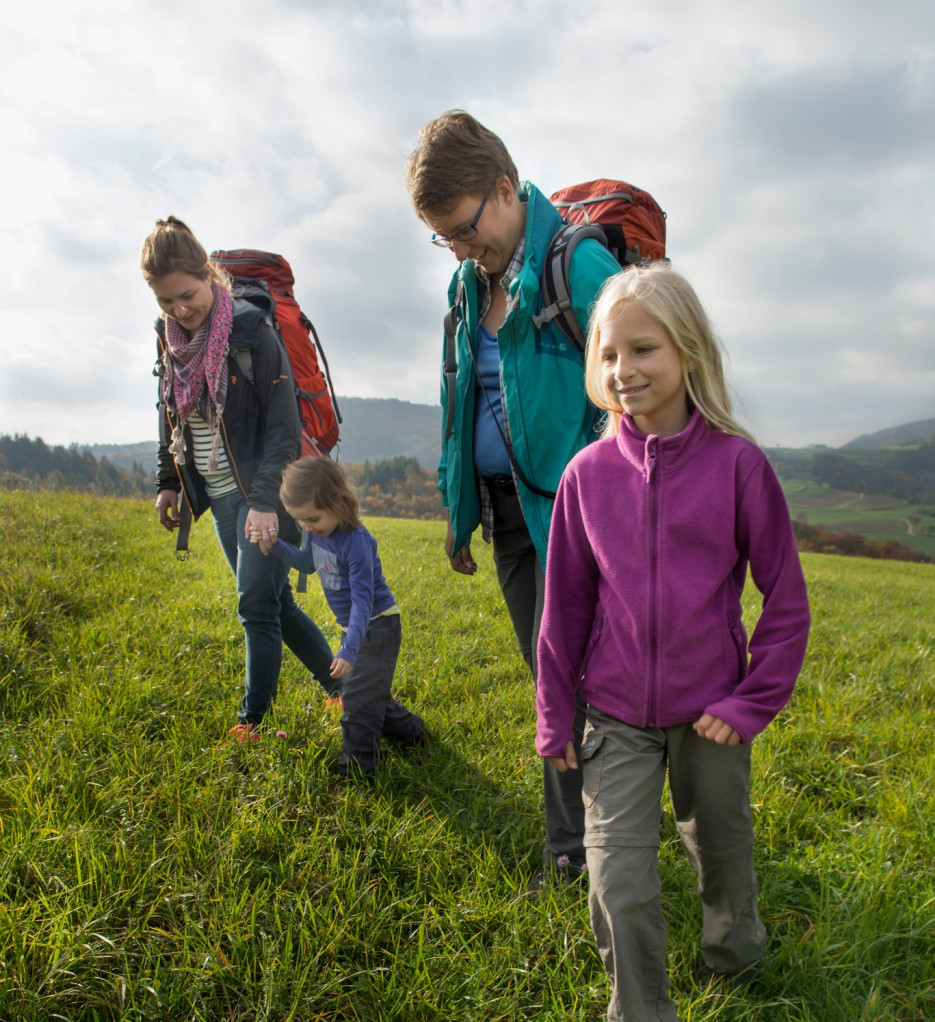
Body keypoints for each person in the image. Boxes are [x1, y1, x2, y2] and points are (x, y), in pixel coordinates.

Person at [535, 263, 811, 1022]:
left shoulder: (739, 467)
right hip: (613, 714)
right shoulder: (585, 476)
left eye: (643, 348)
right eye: (608, 353)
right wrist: (554, 716)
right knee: (617, 880)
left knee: (719, 848)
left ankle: (733, 954)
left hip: (710, 713)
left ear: (687, 351)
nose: (623, 370)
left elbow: (785, 602)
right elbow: (563, 611)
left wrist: (748, 701)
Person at [406, 111, 621, 893]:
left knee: (561, 679)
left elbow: (640, 390)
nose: (459, 251)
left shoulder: (579, 266)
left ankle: (577, 851)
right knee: (550, 674)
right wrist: (458, 506)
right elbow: (457, 399)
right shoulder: (468, 287)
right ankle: (605, 820)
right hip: (505, 515)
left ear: (504, 189)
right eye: (443, 239)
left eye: (464, 230)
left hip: (575, 518)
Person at [141, 217, 340, 739]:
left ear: (208, 275)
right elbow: (168, 412)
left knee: (255, 605)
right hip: (218, 495)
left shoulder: (252, 332)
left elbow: (283, 427)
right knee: (274, 602)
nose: (180, 310)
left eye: (187, 295)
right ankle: (344, 686)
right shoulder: (169, 339)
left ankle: (253, 721)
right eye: (166, 301)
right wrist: (168, 481)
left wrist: (264, 502)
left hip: (263, 494)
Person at [267, 456, 427, 777]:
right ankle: (414, 733)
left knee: (355, 701)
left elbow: (363, 603)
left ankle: (357, 770)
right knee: (369, 694)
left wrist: (349, 650)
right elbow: (308, 563)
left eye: (313, 518)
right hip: (353, 628)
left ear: (338, 502)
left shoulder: (356, 542)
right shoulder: (317, 533)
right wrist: (275, 546)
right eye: (301, 521)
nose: (308, 527)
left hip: (377, 626)